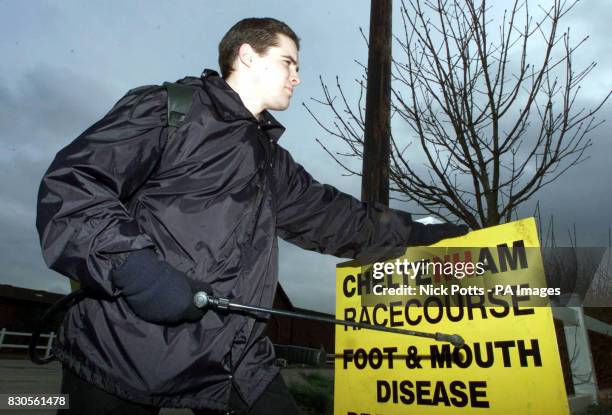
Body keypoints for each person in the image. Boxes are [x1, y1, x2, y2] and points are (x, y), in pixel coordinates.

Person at [36, 17, 467, 415]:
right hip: (123, 348)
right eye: (287, 61)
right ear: (246, 55)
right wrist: (134, 268)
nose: (297, 76)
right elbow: (73, 185)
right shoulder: (168, 110)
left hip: (234, 354)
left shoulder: (270, 161)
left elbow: (337, 219)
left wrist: (423, 233)